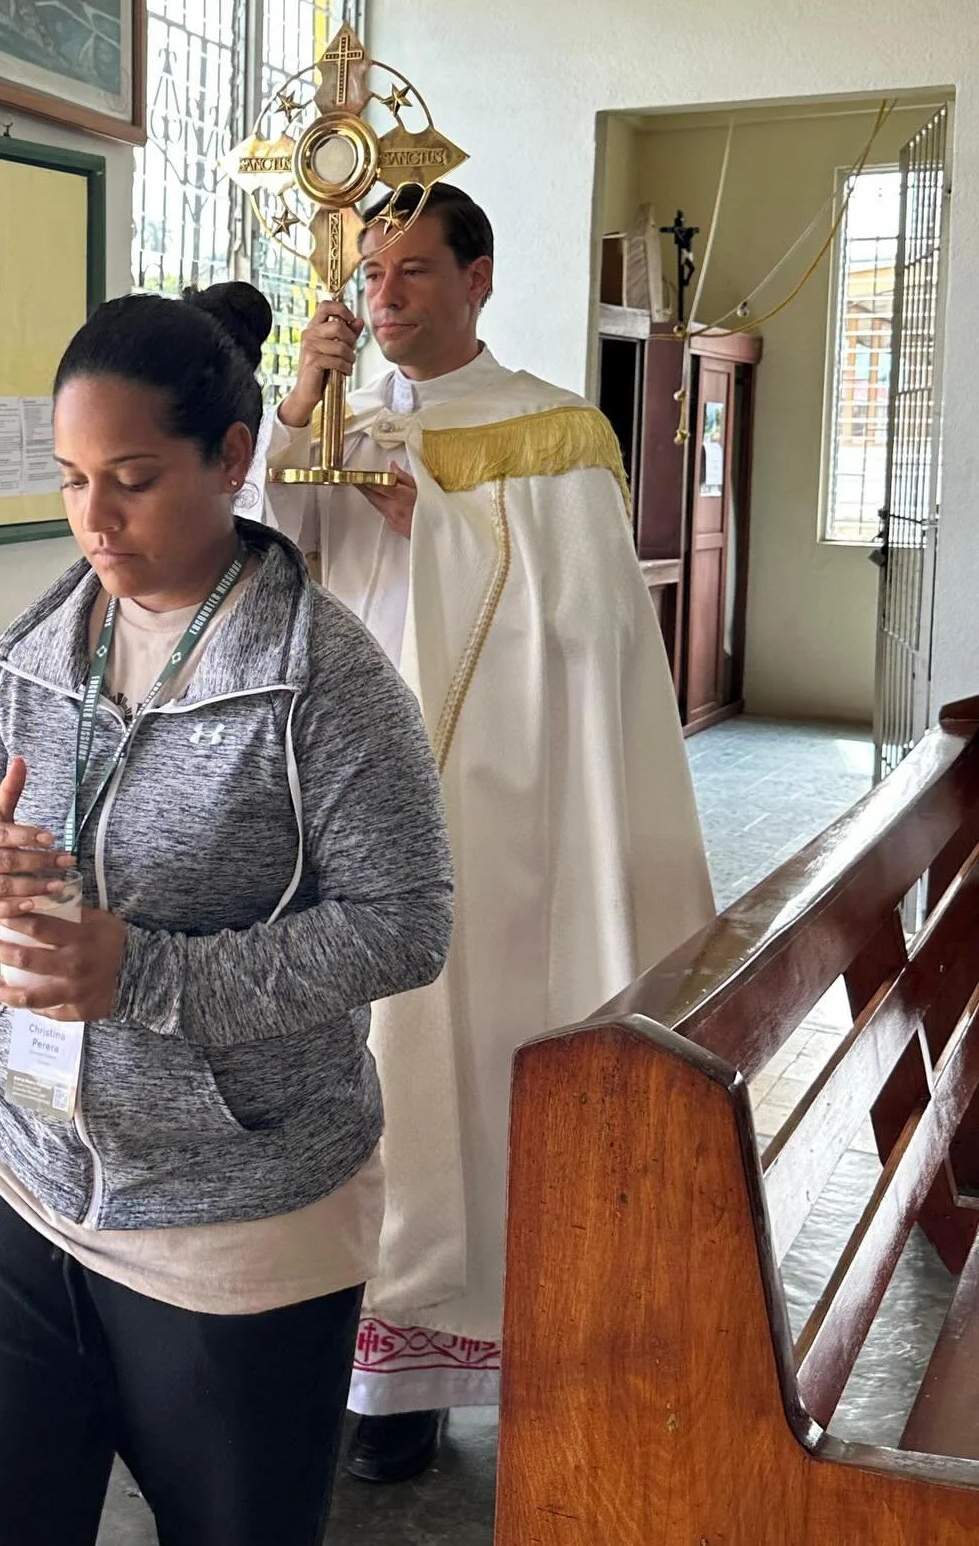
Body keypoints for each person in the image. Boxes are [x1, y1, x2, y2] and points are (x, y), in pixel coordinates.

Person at [0, 283, 454, 1546]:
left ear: (231, 457)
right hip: (16, 1166)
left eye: (133, 479)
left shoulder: (323, 676)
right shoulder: (39, 645)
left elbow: (406, 923)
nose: (94, 522)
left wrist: (144, 976)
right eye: (69, 479)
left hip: (238, 1214)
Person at [255, 182, 714, 1483]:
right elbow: (268, 560)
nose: (385, 297)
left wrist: (437, 520)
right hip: (346, 799)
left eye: (410, 271)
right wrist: (302, 408)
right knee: (367, 1078)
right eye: (369, 274)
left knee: (478, 1062)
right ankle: (377, 1373)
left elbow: (592, 637)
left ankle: (507, 1345)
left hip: (512, 815)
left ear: (482, 277)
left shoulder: (554, 429)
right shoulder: (346, 412)